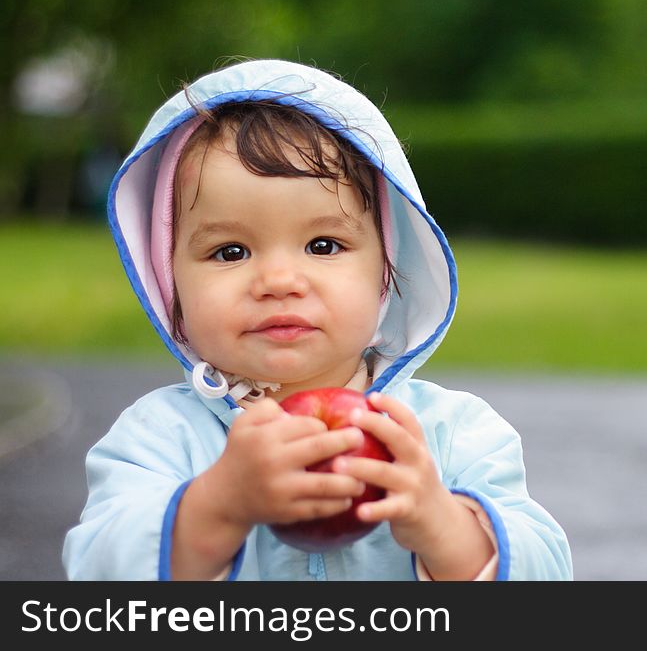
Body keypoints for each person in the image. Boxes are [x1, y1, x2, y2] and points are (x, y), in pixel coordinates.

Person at [62, 59, 572, 580]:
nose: (280, 280)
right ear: (168, 285)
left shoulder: (450, 435)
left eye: (323, 245)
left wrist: (442, 524)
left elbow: (548, 574)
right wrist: (217, 507)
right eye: (231, 251)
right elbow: (98, 569)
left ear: (386, 273)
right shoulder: (160, 439)